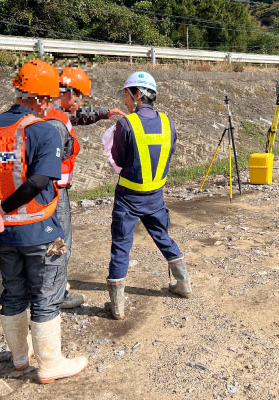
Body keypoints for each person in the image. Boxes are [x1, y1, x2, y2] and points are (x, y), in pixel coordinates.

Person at [0, 60, 87, 383]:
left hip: (3, 234)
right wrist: (4, 207)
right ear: (43, 99)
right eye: (50, 98)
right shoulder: (43, 130)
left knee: (13, 291)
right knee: (45, 295)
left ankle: (20, 357)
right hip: (39, 230)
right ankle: (50, 365)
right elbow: (40, 180)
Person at [106, 71, 192, 320]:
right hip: (155, 196)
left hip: (128, 196)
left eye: (126, 95)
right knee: (162, 236)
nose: (125, 101)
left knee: (121, 245)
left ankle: (118, 306)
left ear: (136, 94)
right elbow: (170, 151)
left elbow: (118, 159)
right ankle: (183, 284)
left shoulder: (126, 124)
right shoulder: (167, 122)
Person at [44, 66, 125, 309]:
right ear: (70, 94)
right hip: (53, 191)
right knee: (59, 242)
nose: (80, 105)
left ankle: (47, 286)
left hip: (50, 189)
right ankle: (56, 294)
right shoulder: (55, 124)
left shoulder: (50, 112)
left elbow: (78, 116)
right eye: (80, 99)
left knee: (49, 240)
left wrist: (104, 113)